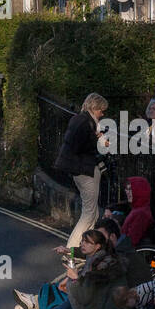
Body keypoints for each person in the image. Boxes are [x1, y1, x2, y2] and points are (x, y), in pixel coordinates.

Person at [52, 92, 109, 249]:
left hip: (81, 170)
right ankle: (71, 251)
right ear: (94, 107)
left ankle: (86, 249)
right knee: (89, 213)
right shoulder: (85, 122)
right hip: (85, 171)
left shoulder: (82, 119)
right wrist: (98, 140)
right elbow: (79, 147)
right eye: (101, 110)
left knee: (94, 213)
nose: (102, 114)